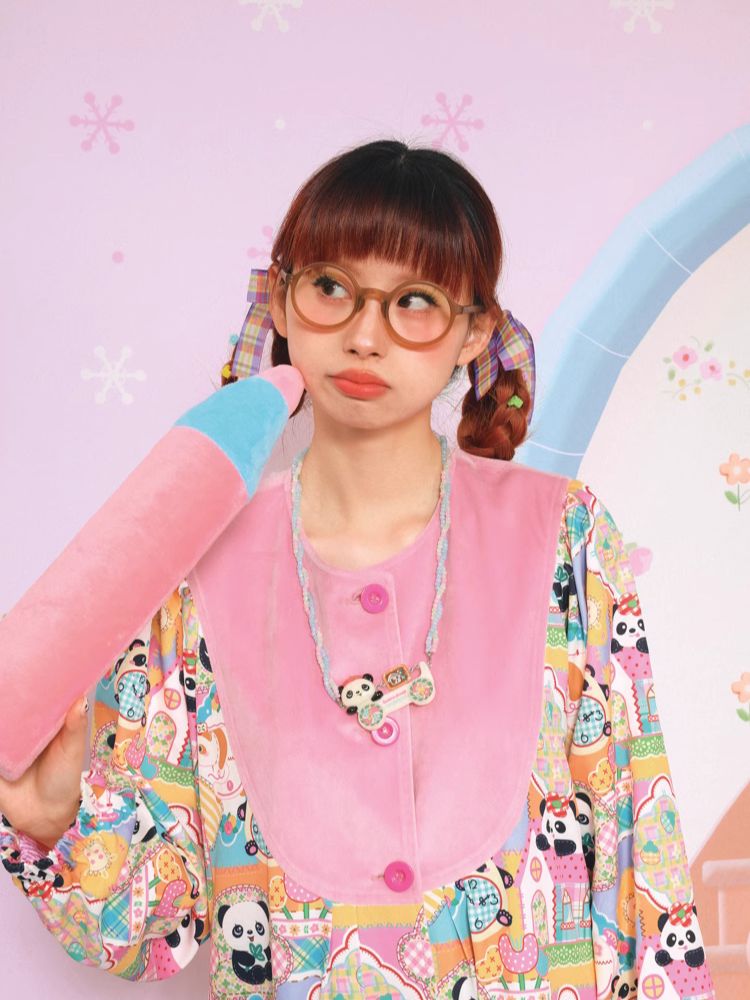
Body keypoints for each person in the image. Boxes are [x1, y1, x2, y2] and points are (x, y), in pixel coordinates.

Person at [0, 139, 715, 999]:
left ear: (473, 331)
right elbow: (147, 932)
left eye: (415, 301)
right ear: (281, 300)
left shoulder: (565, 536)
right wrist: (51, 820)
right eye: (332, 288)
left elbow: (642, 867)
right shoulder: (194, 570)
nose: (365, 336)